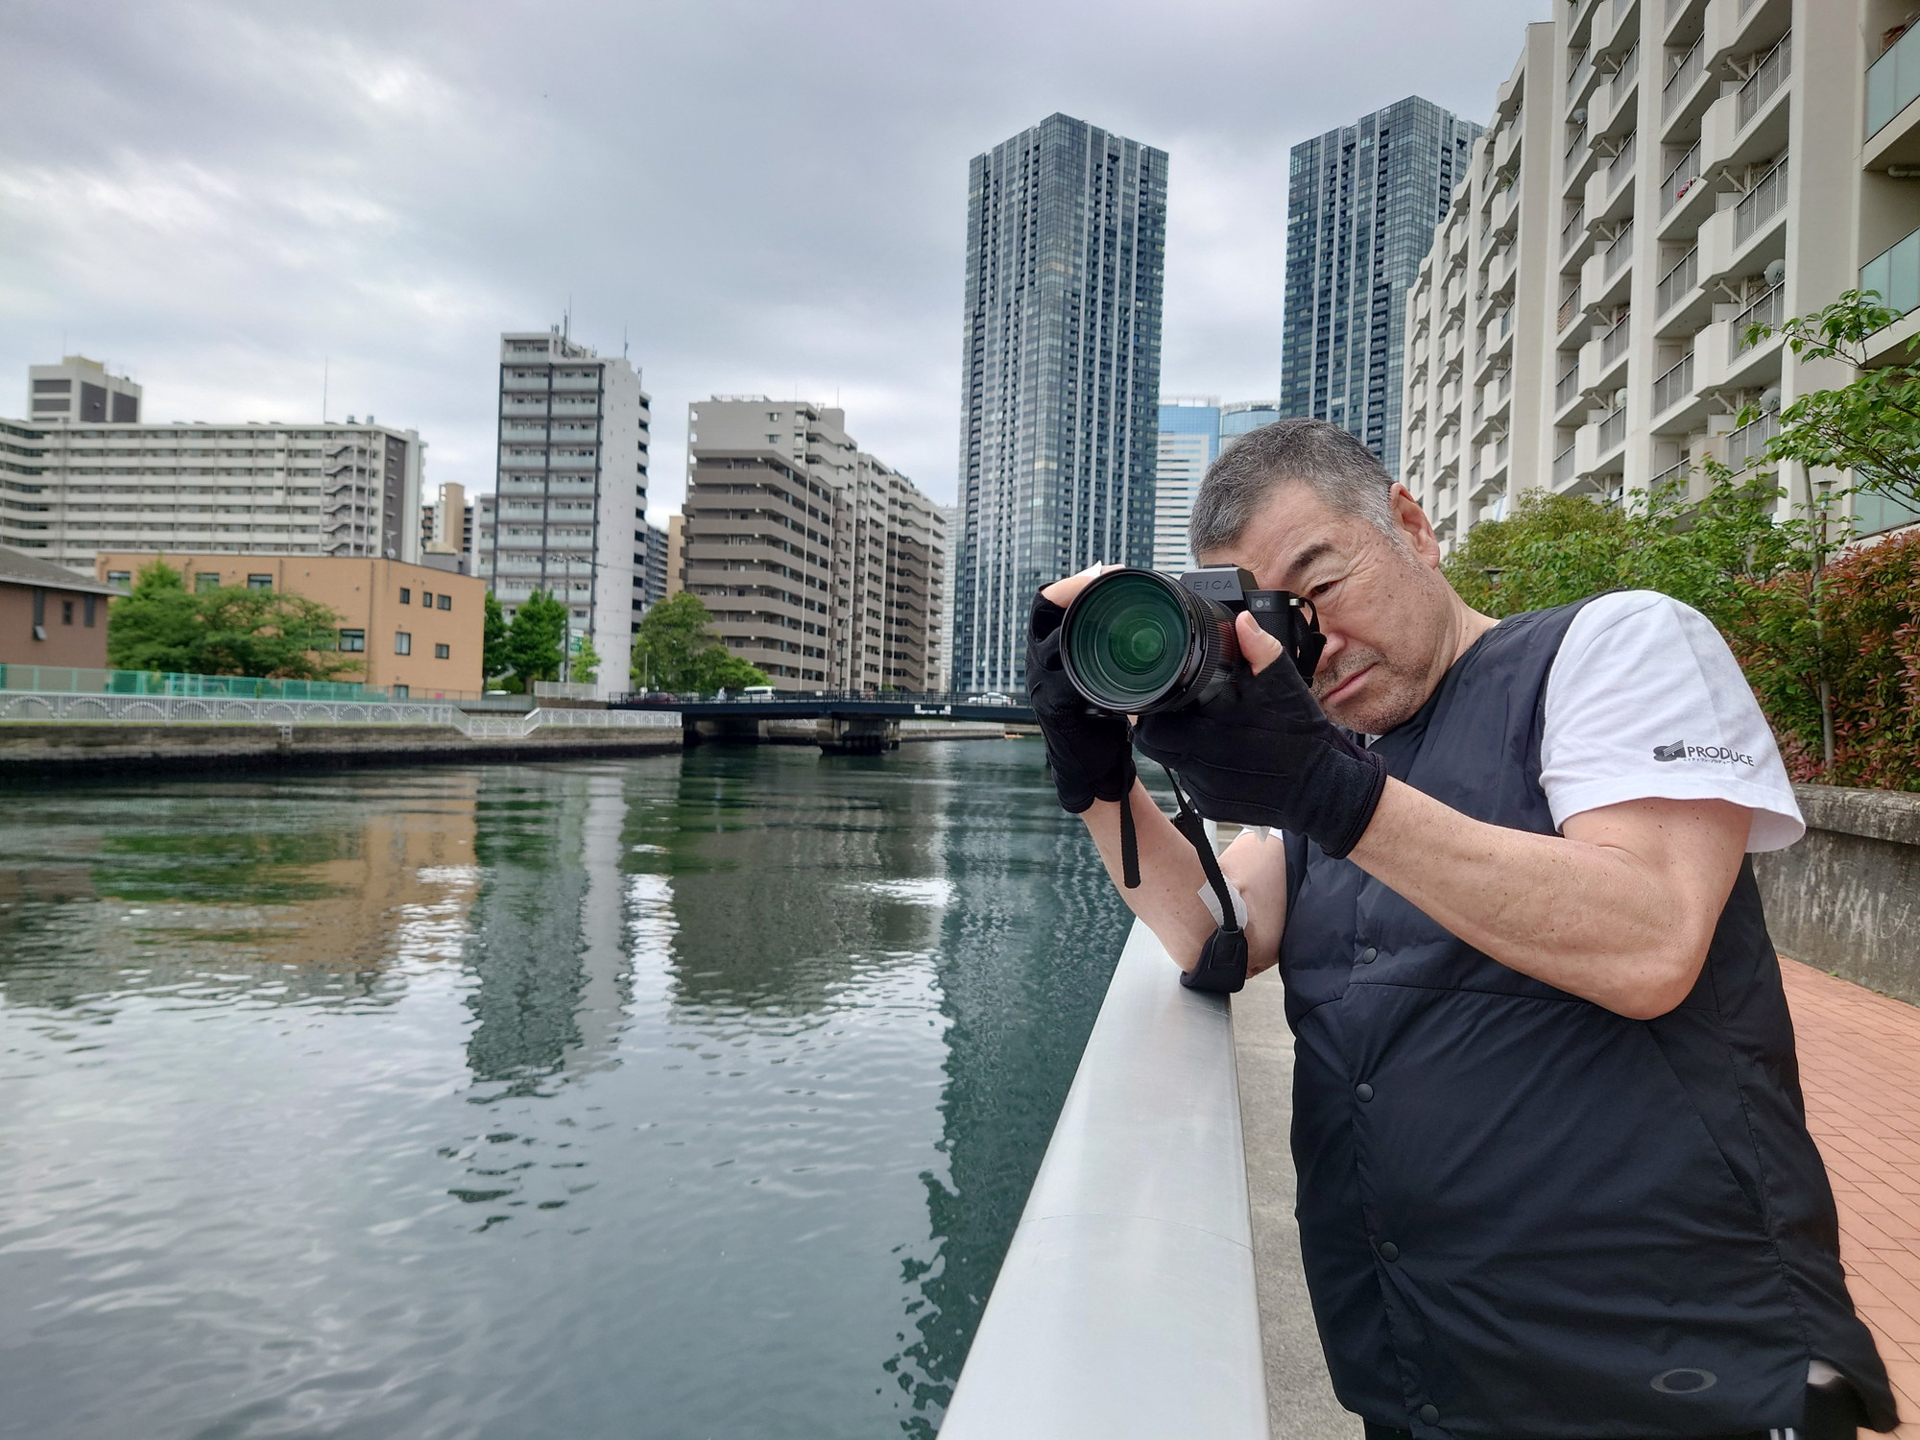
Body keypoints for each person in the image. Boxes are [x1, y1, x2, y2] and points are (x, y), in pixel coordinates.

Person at [1024, 420, 1897, 1440]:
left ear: (1410, 526)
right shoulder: (1335, 760)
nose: (1315, 640)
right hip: (1421, 1377)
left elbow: (1650, 939)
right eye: (1272, 617)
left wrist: (1327, 791)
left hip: (1676, 1381)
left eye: (1323, 585)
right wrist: (1096, 783)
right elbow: (1219, 933)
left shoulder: (1613, 646)